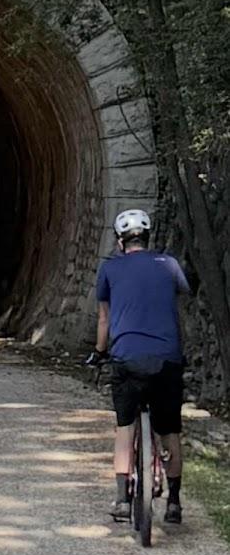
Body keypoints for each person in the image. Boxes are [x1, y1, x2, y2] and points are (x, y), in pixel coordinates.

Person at [87, 208, 190, 524]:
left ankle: (121, 498)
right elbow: (179, 306)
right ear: (147, 239)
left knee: (124, 425)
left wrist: (99, 352)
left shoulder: (110, 269)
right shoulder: (169, 265)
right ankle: (173, 501)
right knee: (170, 429)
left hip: (127, 359)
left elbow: (104, 318)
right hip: (166, 359)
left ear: (120, 242)